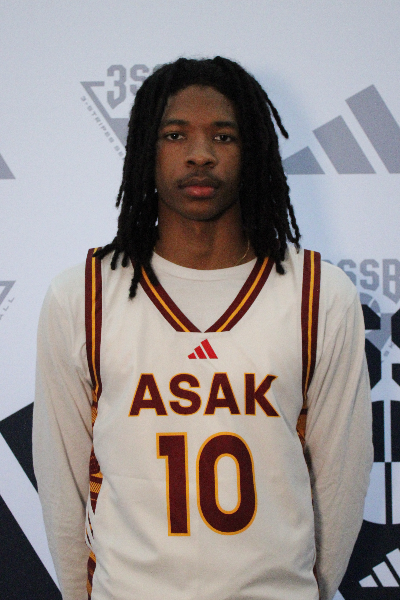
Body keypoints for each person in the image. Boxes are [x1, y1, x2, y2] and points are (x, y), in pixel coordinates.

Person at [33, 57, 373, 600]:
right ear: (145, 150)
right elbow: (62, 486)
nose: (200, 154)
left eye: (223, 136)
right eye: (175, 135)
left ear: (253, 150)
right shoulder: (82, 296)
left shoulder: (318, 295)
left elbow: (341, 481)